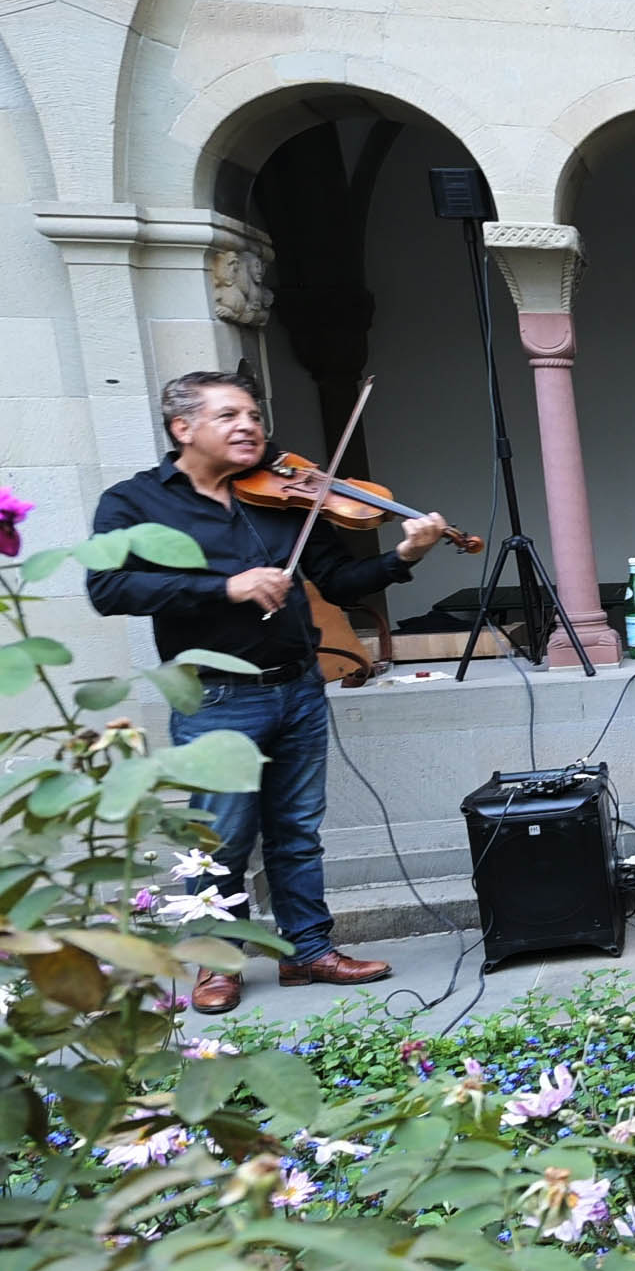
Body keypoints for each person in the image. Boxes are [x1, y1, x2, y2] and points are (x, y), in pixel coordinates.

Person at [86, 370, 448, 1013]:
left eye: (253, 415)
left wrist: (406, 556)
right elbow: (108, 590)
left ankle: (307, 951)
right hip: (217, 696)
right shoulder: (135, 502)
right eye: (228, 416)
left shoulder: (281, 496)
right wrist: (221, 588)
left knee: (297, 830)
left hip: (298, 688)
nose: (249, 426)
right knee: (219, 836)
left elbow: (338, 580)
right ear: (183, 429)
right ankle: (217, 961)